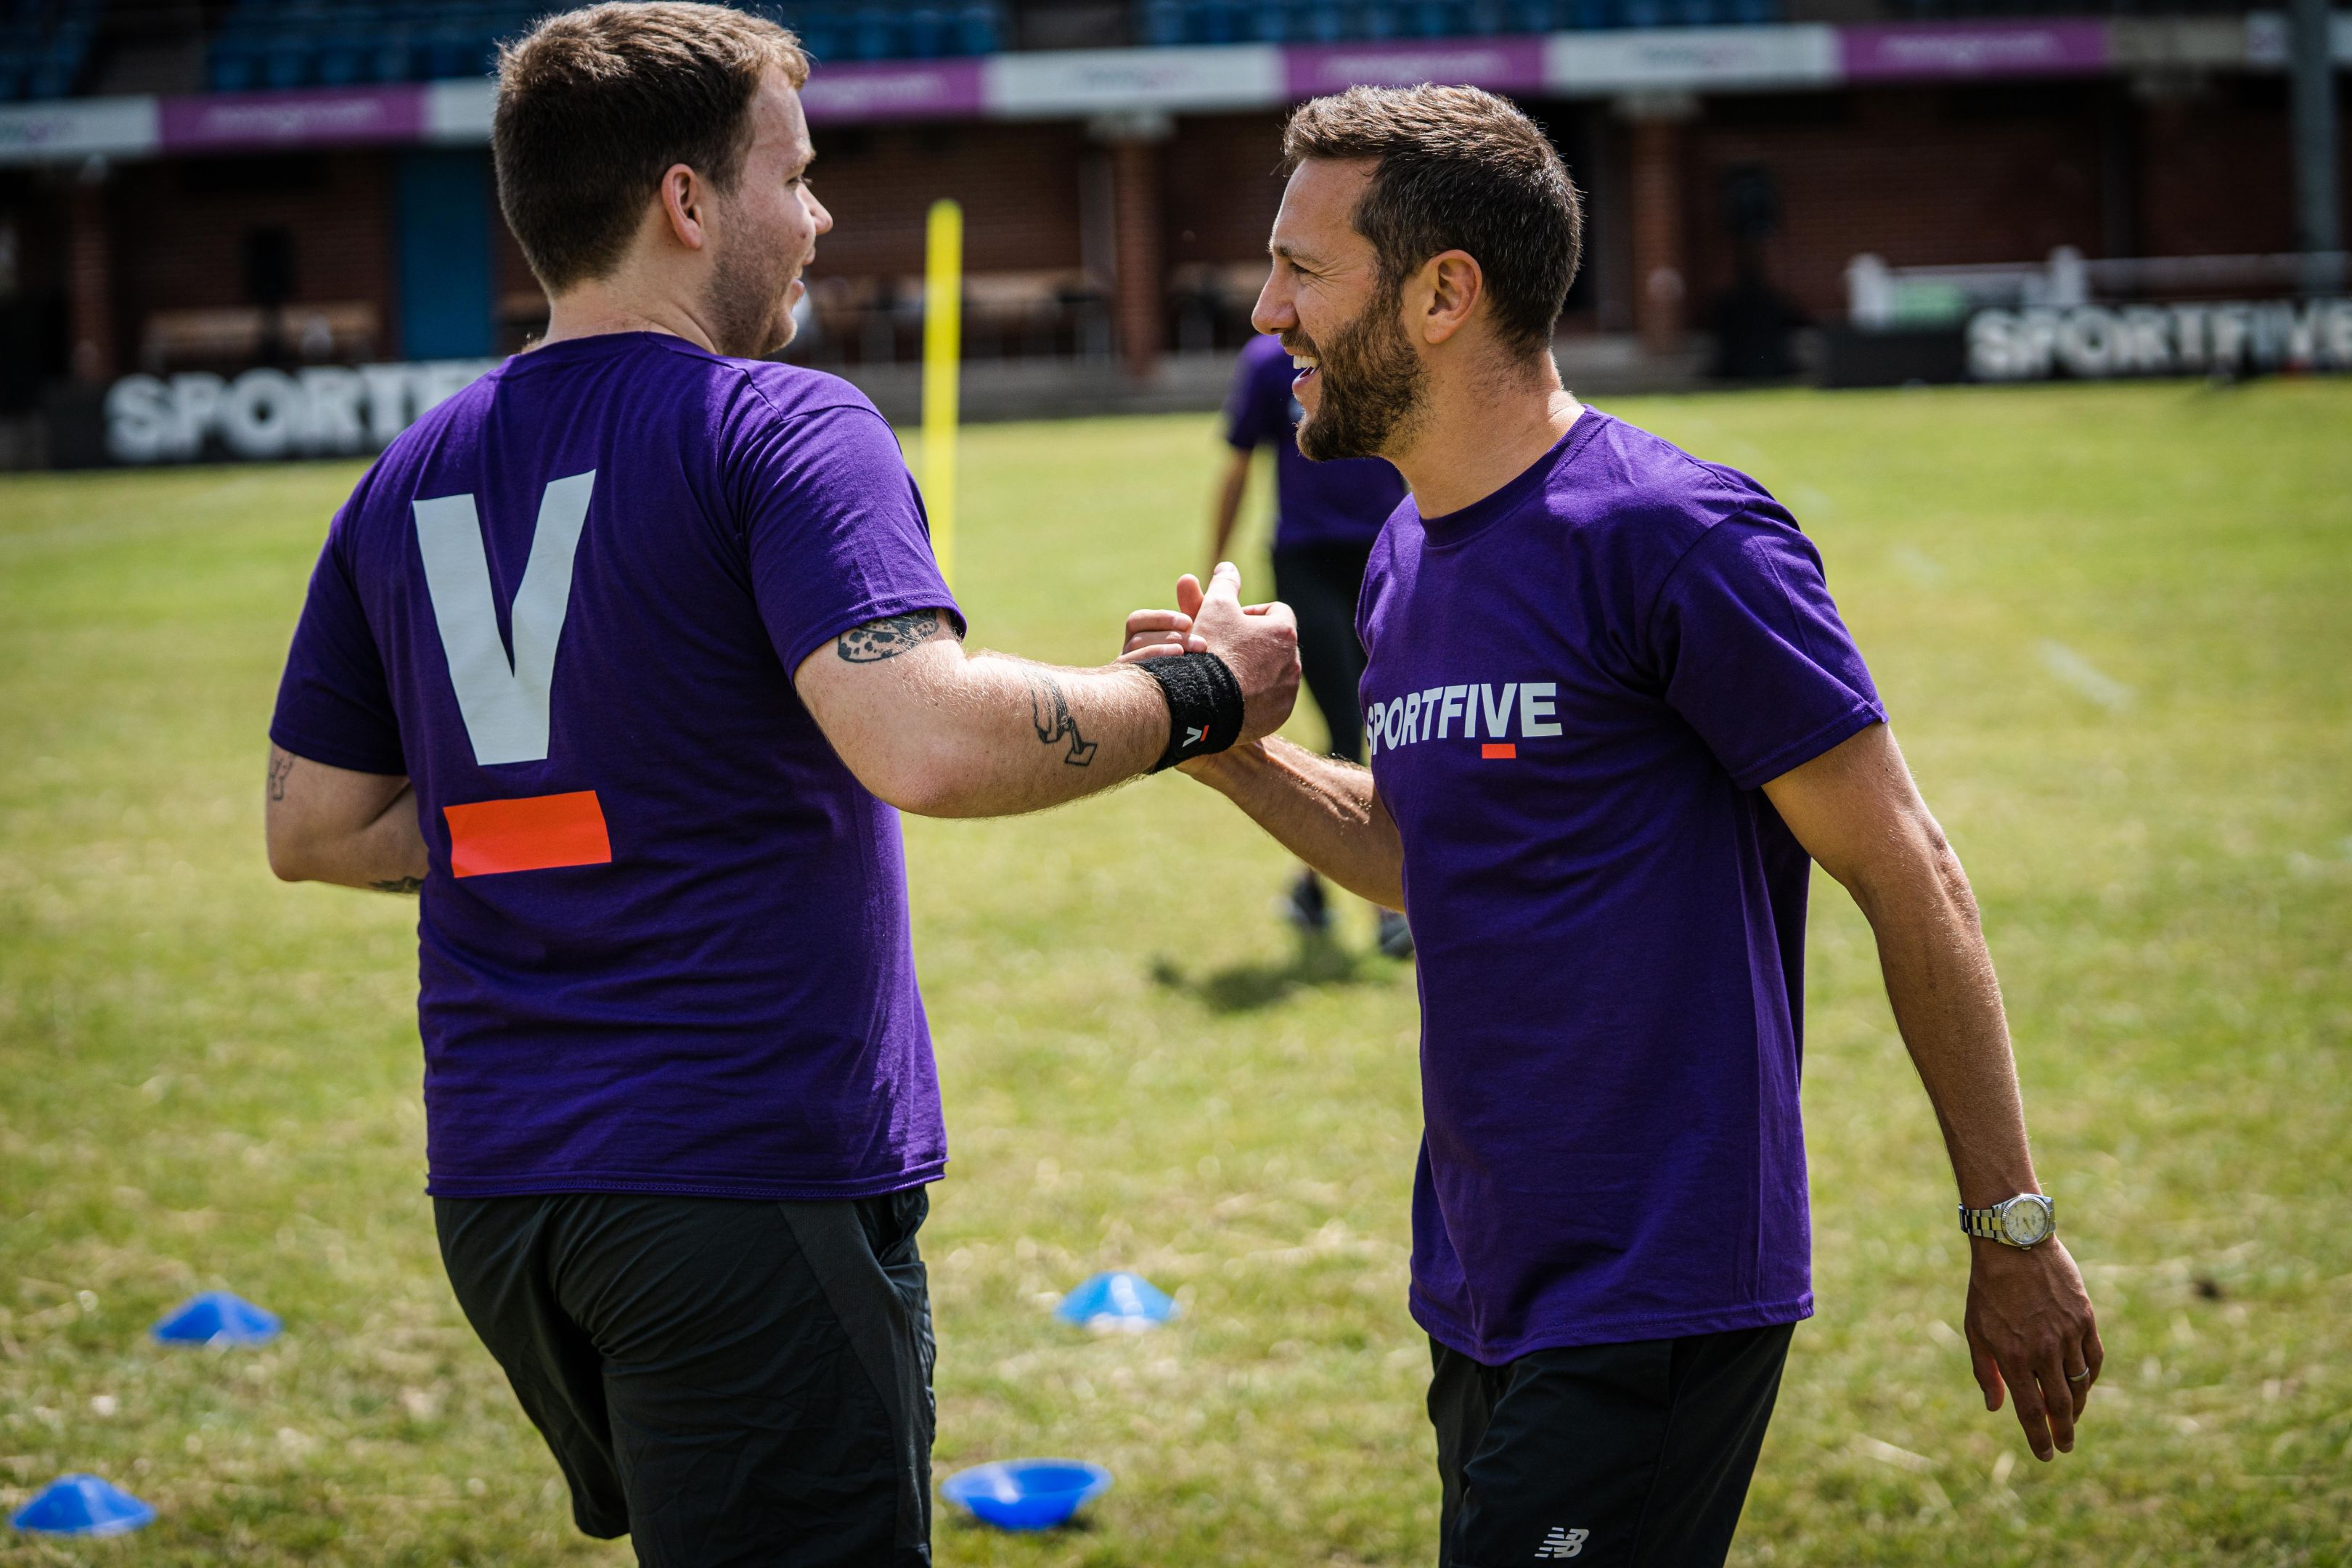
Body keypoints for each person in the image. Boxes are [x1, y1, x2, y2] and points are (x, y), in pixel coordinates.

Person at [259, 7, 1297, 1564]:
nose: (817, 218)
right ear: (687, 202)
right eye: (794, 176)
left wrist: (600, 808)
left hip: (502, 1191)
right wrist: (1204, 697)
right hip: (735, 1173)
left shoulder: (407, 472)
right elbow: (925, 741)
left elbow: (316, 827)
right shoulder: (779, 420)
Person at [1124, 85, 2101, 1567]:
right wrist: (1234, 758)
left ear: (1443, 293)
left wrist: (2010, 1228)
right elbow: (1432, 849)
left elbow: (1908, 868)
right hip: (1480, 1273)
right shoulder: (1402, 555)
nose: (1267, 314)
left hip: (1655, 1285)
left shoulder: (1675, 537)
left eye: (1302, 270)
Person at [1214, 331, 1413, 955]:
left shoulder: (1386, 344)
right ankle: (1388, 907)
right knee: (1349, 721)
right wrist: (1215, 564)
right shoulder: (1268, 365)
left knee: (1392, 721)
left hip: (1387, 555)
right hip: (1306, 563)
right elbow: (1239, 466)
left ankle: (1311, 888)